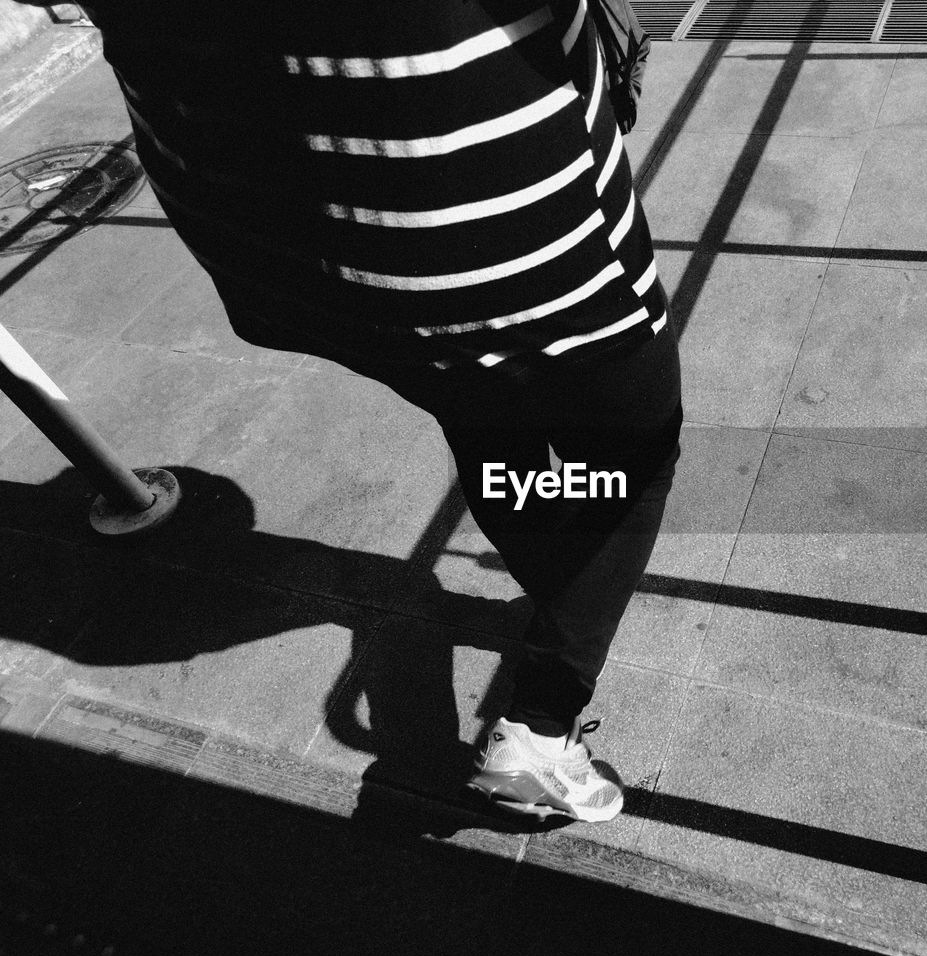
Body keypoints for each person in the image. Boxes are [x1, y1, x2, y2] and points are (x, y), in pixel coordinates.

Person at [80, 0, 681, 823]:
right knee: (638, 452)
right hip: (481, 205)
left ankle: (557, 586)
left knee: (472, 396)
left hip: (267, 212)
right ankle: (540, 727)